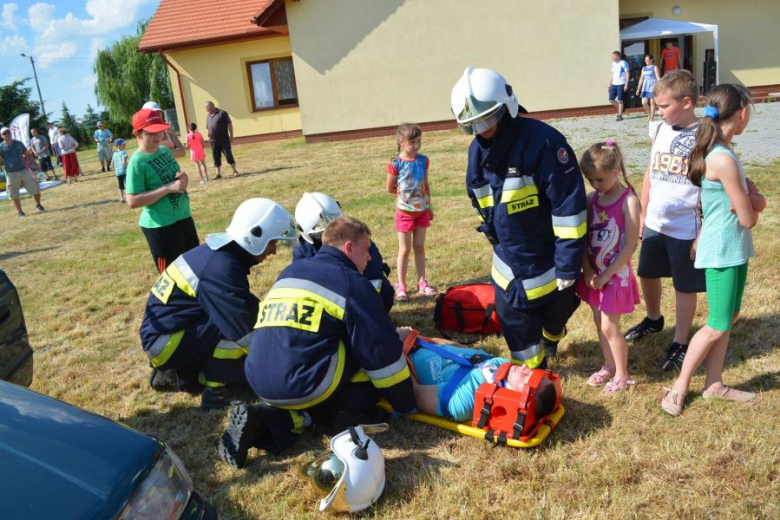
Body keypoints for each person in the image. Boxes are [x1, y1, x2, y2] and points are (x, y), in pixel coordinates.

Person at [219, 216, 416, 468]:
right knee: (364, 348)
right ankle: (345, 418)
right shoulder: (351, 283)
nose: (369, 259)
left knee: (328, 350)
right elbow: (381, 355)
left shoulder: (291, 271)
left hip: (259, 378)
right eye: (366, 250)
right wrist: (405, 404)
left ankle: (269, 418)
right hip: (304, 382)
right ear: (348, 248)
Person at [451, 67, 586, 369]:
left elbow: (569, 208)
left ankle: (552, 338)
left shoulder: (545, 143)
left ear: (507, 106)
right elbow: (480, 197)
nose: (482, 129)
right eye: (472, 125)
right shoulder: (477, 152)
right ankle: (534, 374)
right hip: (508, 263)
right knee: (515, 323)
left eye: (487, 119)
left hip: (547, 258)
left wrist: (568, 264)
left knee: (556, 313)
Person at [661, 85, 766, 416]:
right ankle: (678, 388)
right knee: (717, 323)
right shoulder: (721, 158)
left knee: (728, 317)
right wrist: (755, 201)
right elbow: (748, 217)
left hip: (732, 249)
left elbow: (738, 207)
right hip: (723, 250)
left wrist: (749, 201)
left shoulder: (723, 150)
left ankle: (715, 384)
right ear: (742, 113)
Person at [140, 198, 297, 410]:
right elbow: (245, 331)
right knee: (237, 323)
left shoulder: (222, 255)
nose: (273, 251)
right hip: (166, 344)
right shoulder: (221, 268)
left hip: (167, 337)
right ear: (254, 235)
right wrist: (285, 362)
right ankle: (219, 390)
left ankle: (180, 374)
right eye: (272, 243)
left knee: (244, 312)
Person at [624, 71, 705, 371]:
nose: (659, 111)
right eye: (657, 106)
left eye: (664, 106)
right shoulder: (660, 129)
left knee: (684, 285)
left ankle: (681, 340)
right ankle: (654, 319)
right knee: (647, 273)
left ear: (687, 102)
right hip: (656, 221)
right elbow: (650, 171)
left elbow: (715, 179)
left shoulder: (704, 134)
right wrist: (644, 211)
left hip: (686, 227)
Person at [575, 140, 641, 394]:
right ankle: (610, 365)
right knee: (598, 321)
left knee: (609, 326)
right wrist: (589, 271)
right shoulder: (592, 199)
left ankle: (622, 376)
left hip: (615, 276)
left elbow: (630, 246)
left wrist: (606, 275)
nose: (594, 185)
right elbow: (583, 237)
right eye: (590, 180)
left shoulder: (629, 201)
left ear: (615, 172)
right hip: (595, 275)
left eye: (599, 179)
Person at [399, 328, 558, 422]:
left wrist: (398, 352)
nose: (524, 367)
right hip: (414, 341)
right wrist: (418, 337)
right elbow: (457, 348)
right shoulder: (500, 365)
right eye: (529, 370)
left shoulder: (464, 402)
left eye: (526, 377)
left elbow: (414, 392)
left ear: (519, 398)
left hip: (399, 359)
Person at [293, 192, 395, 312]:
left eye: (332, 229)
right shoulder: (303, 250)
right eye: (320, 235)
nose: (328, 236)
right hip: (324, 310)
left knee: (385, 292)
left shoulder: (359, 241)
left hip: (360, 301)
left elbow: (374, 278)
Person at [125, 108, 198, 273]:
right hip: (161, 226)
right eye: (151, 133)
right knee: (174, 276)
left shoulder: (164, 151)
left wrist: (183, 179)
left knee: (194, 270)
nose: (157, 137)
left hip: (183, 217)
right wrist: (167, 188)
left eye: (159, 131)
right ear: (138, 133)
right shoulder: (137, 162)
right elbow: (132, 200)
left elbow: (174, 181)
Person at [386, 123, 437, 301]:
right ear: (401, 142)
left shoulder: (423, 160)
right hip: (404, 214)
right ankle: (401, 286)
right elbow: (389, 187)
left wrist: (428, 207)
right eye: (412, 142)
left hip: (422, 212)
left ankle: (422, 282)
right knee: (405, 250)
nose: (417, 145)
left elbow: (426, 185)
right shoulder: (396, 163)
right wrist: (402, 197)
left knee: (419, 247)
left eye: (419, 141)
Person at [0, 127, 46, 217]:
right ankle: (20, 212)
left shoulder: (19, 143)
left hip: (24, 170)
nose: (7, 134)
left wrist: (36, 165)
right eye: (4, 133)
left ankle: (38, 205)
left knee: (35, 187)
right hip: (10, 173)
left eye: (8, 132)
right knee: (13, 194)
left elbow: (28, 155)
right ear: (2, 136)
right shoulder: (1, 147)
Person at [205, 101, 239, 179]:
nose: (207, 110)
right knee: (216, 157)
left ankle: (235, 170)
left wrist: (231, 136)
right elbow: (208, 128)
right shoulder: (208, 116)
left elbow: (229, 124)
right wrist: (209, 137)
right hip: (213, 141)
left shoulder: (222, 113)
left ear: (213, 106)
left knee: (228, 155)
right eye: (206, 109)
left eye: (208, 109)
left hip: (224, 139)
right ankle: (218, 174)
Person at [636, 54, 661, 122]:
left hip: (653, 85)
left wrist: (661, 86)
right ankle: (649, 113)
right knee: (644, 102)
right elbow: (641, 79)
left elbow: (658, 77)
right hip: (645, 86)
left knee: (652, 102)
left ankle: (652, 117)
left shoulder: (655, 67)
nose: (646, 61)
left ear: (651, 60)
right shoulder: (643, 68)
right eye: (645, 60)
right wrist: (638, 89)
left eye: (647, 60)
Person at [608, 51, 631, 122]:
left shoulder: (623, 63)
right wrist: (609, 83)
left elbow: (627, 73)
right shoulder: (613, 64)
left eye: (613, 56)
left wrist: (626, 84)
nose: (612, 57)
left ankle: (620, 115)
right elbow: (612, 74)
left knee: (620, 100)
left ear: (617, 56)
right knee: (611, 99)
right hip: (614, 84)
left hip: (621, 84)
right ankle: (622, 109)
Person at [112, 138, 128, 202]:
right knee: (127, 184)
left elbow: (112, 164)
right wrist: (128, 167)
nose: (125, 145)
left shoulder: (114, 153)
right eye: (123, 144)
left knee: (121, 185)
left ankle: (122, 198)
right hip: (124, 172)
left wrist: (116, 170)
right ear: (118, 145)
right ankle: (129, 197)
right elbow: (124, 162)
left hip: (118, 173)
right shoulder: (123, 152)